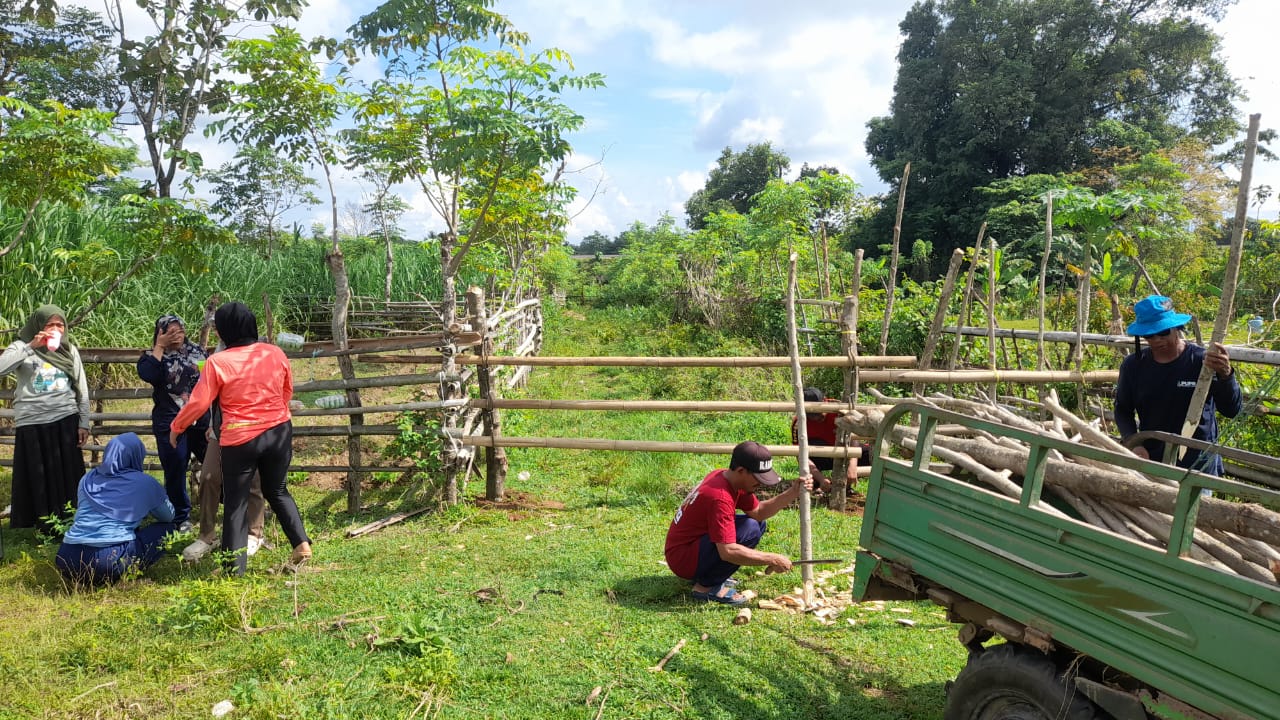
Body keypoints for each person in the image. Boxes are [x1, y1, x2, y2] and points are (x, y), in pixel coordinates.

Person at [170, 302, 311, 575]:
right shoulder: (274, 352)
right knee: (277, 490)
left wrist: (177, 427)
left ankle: (233, 568)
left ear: (223, 332)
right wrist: (275, 412)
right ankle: (301, 543)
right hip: (279, 431)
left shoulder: (218, 362)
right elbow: (287, 389)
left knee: (236, 502)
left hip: (240, 437)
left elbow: (199, 403)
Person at [663, 441, 815, 606]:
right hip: (683, 560)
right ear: (741, 471)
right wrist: (771, 558)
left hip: (692, 547)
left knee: (757, 524)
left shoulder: (728, 478)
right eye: (758, 478)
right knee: (750, 529)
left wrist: (793, 492)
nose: (761, 483)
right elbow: (728, 552)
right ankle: (706, 587)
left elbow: (759, 512)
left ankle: (709, 574)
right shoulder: (720, 497)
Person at [1114, 295, 1243, 476]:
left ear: (1176, 328)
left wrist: (1226, 376)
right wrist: (1134, 443)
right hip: (1152, 460)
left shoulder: (1203, 362)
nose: (1157, 339)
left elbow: (1232, 410)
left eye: (1163, 332)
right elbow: (1122, 409)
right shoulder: (1133, 366)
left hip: (1198, 465)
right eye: (1149, 334)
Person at [0, 305, 89, 533]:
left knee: (67, 473)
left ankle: (71, 519)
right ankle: (44, 523)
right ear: (39, 326)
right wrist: (31, 346)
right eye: (50, 324)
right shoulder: (21, 346)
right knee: (39, 475)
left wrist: (83, 422)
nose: (56, 329)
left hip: (65, 417)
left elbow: (81, 387)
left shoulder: (68, 350)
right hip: (32, 420)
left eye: (60, 325)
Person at [55, 433, 176, 585]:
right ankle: (122, 580)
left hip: (66, 557)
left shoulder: (88, 478)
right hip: (108, 559)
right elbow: (168, 516)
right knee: (168, 530)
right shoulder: (145, 483)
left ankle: (81, 581)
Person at [136, 314, 208, 533]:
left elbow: (209, 380)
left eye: (180, 330)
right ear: (160, 333)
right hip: (169, 420)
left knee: (215, 461)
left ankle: (226, 503)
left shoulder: (197, 352)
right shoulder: (152, 357)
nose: (176, 335)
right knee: (175, 467)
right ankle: (180, 517)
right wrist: (160, 347)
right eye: (170, 331)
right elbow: (149, 375)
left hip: (200, 418)